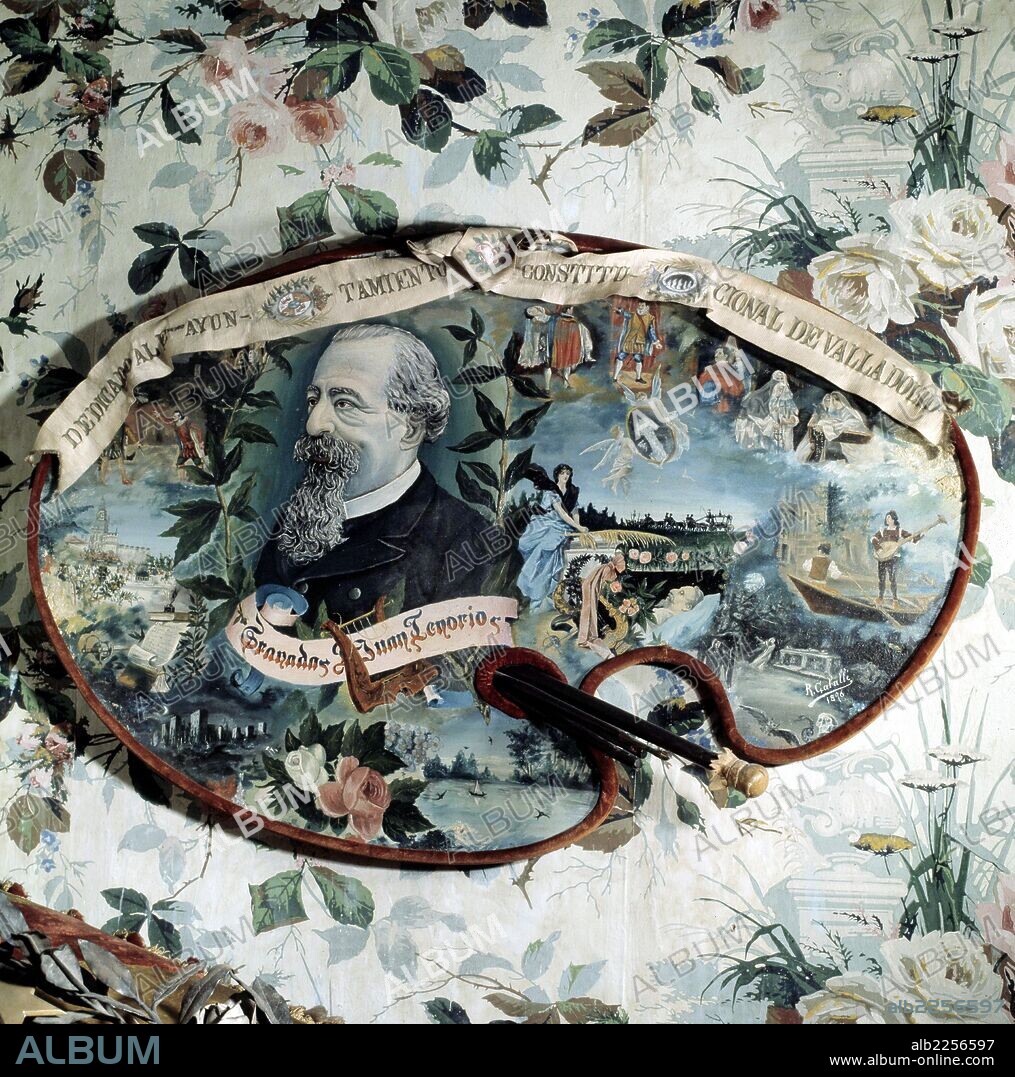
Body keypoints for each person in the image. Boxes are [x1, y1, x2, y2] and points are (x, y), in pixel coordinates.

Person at [255, 324, 492, 624]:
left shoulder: (472, 546)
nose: (313, 425)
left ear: (411, 428)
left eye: (344, 403)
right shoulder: (294, 520)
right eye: (314, 400)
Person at [516, 464, 586, 607]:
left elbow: (574, 512)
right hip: (547, 523)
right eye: (562, 473)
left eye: (568, 473)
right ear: (557, 475)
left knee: (551, 550)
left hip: (564, 525)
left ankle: (548, 592)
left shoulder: (572, 491)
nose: (565, 476)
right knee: (542, 549)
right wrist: (578, 527)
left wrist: (578, 528)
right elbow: (561, 513)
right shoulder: (551, 490)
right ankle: (533, 588)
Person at [734, 370, 799, 452]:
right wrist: (772, 423)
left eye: (782, 379)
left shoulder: (787, 400)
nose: (779, 384)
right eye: (777, 379)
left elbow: (793, 415)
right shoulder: (756, 398)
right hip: (760, 434)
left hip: (782, 434)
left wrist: (788, 420)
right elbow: (753, 417)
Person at [797, 391, 870, 462]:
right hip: (833, 431)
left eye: (833, 400)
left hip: (853, 427)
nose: (832, 403)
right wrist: (824, 424)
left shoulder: (847, 410)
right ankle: (817, 458)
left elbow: (851, 422)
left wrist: (829, 426)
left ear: (841, 401)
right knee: (822, 424)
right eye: (830, 400)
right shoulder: (821, 410)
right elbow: (835, 421)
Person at [577, 550, 626, 653]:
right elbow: (602, 583)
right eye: (622, 565)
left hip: (591, 589)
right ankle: (588, 636)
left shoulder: (607, 568)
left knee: (591, 612)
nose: (622, 567)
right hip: (591, 590)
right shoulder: (607, 569)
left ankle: (590, 635)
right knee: (589, 611)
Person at [871, 510, 919, 604]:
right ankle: (880, 598)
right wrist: (878, 548)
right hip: (882, 557)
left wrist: (916, 537)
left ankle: (895, 600)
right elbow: (873, 538)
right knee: (881, 578)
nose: (887, 519)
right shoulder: (883, 531)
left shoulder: (899, 531)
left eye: (889, 517)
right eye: (886, 517)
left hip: (893, 557)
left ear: (893, 519)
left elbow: (911, 538)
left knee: (892, 578)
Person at [613, 301, 663, 384]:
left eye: (642, 305)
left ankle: (638, 378)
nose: (640, 307)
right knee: (620, 357)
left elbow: (651, 331)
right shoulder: (632, 315)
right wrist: (620, 311)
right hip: (629, 341)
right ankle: (614, 378)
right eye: (639, 305)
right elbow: (624, 313)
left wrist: (656, 342)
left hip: (640, 343)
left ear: (647, 307)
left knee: (638, 359)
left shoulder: (650, 318)